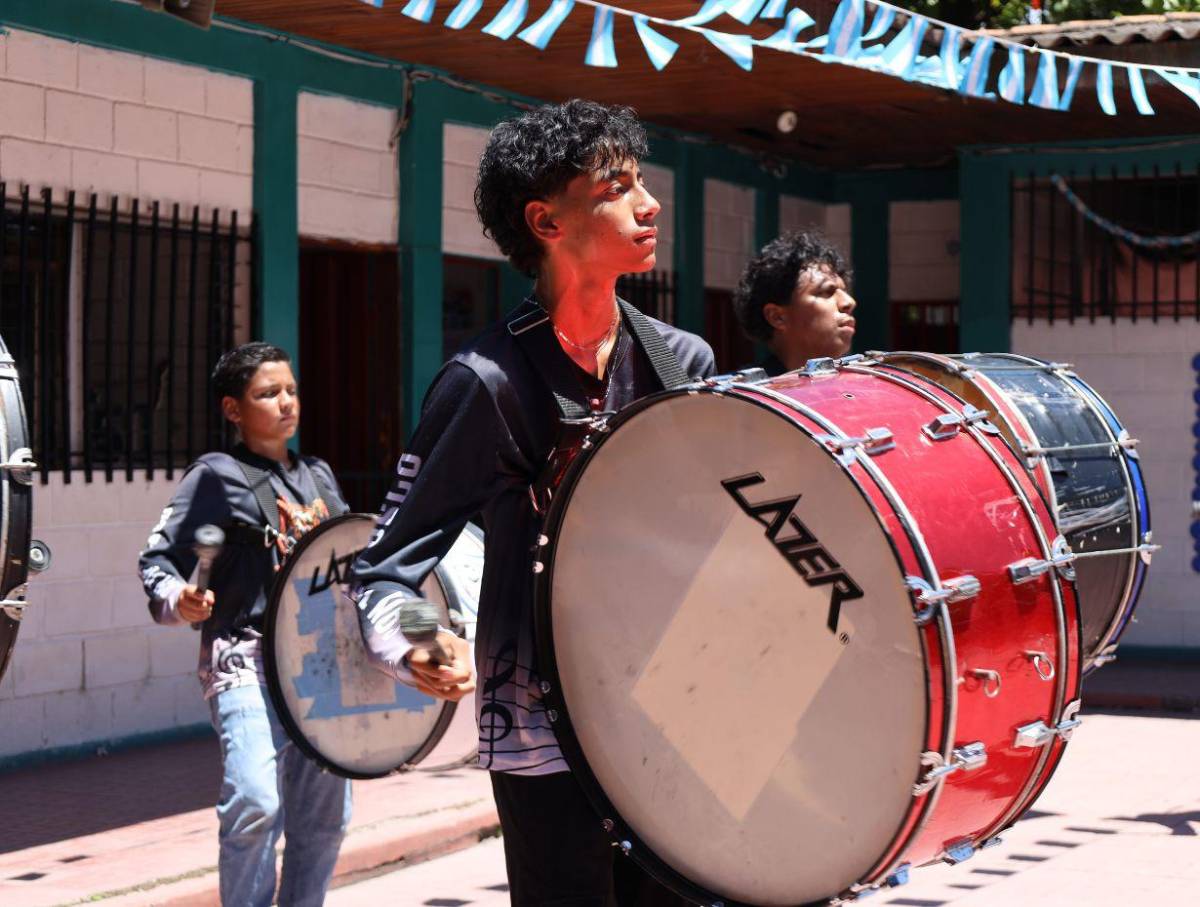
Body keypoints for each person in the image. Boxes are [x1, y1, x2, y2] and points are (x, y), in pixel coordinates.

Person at [350, 99, 715, 905]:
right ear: (547, 220)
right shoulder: (483, 383)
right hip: (543, 738)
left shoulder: (681, 361)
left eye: (642, 181)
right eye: (617, 187)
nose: (648, 203)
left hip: (678, 721)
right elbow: (384, 568)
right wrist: (421, 642)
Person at [138, 342, 352, 907]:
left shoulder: (319, 476)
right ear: (233, 409)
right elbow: (156, 561)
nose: (286, 402)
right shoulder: (215, 475)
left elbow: (350, 562)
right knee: (256, 802)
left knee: (326, 816)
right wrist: (179, 598)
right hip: (244, 660)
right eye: (267, 393)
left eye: (290, 389)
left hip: (318, 667)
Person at [731, 230, 857, 376]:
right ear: (777, 317)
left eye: (845, 291)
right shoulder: (742, 397)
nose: (849, 302)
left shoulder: (867, 387)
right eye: (826, 292)